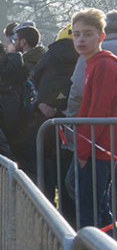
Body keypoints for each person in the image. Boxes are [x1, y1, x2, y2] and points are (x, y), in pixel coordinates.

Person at [71, 9, 117, 228]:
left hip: (99, 148)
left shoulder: (105, 64)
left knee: (90, 211)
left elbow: (99, 111)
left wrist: (83, 150)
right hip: (94, 147)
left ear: (101, 36)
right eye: (76, 33)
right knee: (98, 206)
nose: (80, 39)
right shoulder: (92, 62)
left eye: (87, 34)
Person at [31, 24, 79, 216]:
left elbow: (34, 77)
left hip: (46, 122)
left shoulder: (50, 55)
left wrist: (41, 101)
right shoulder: (82, 57)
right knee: (69, 173)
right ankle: (71, 219)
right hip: (72, 121)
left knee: (49, 172)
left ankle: (51, 217)